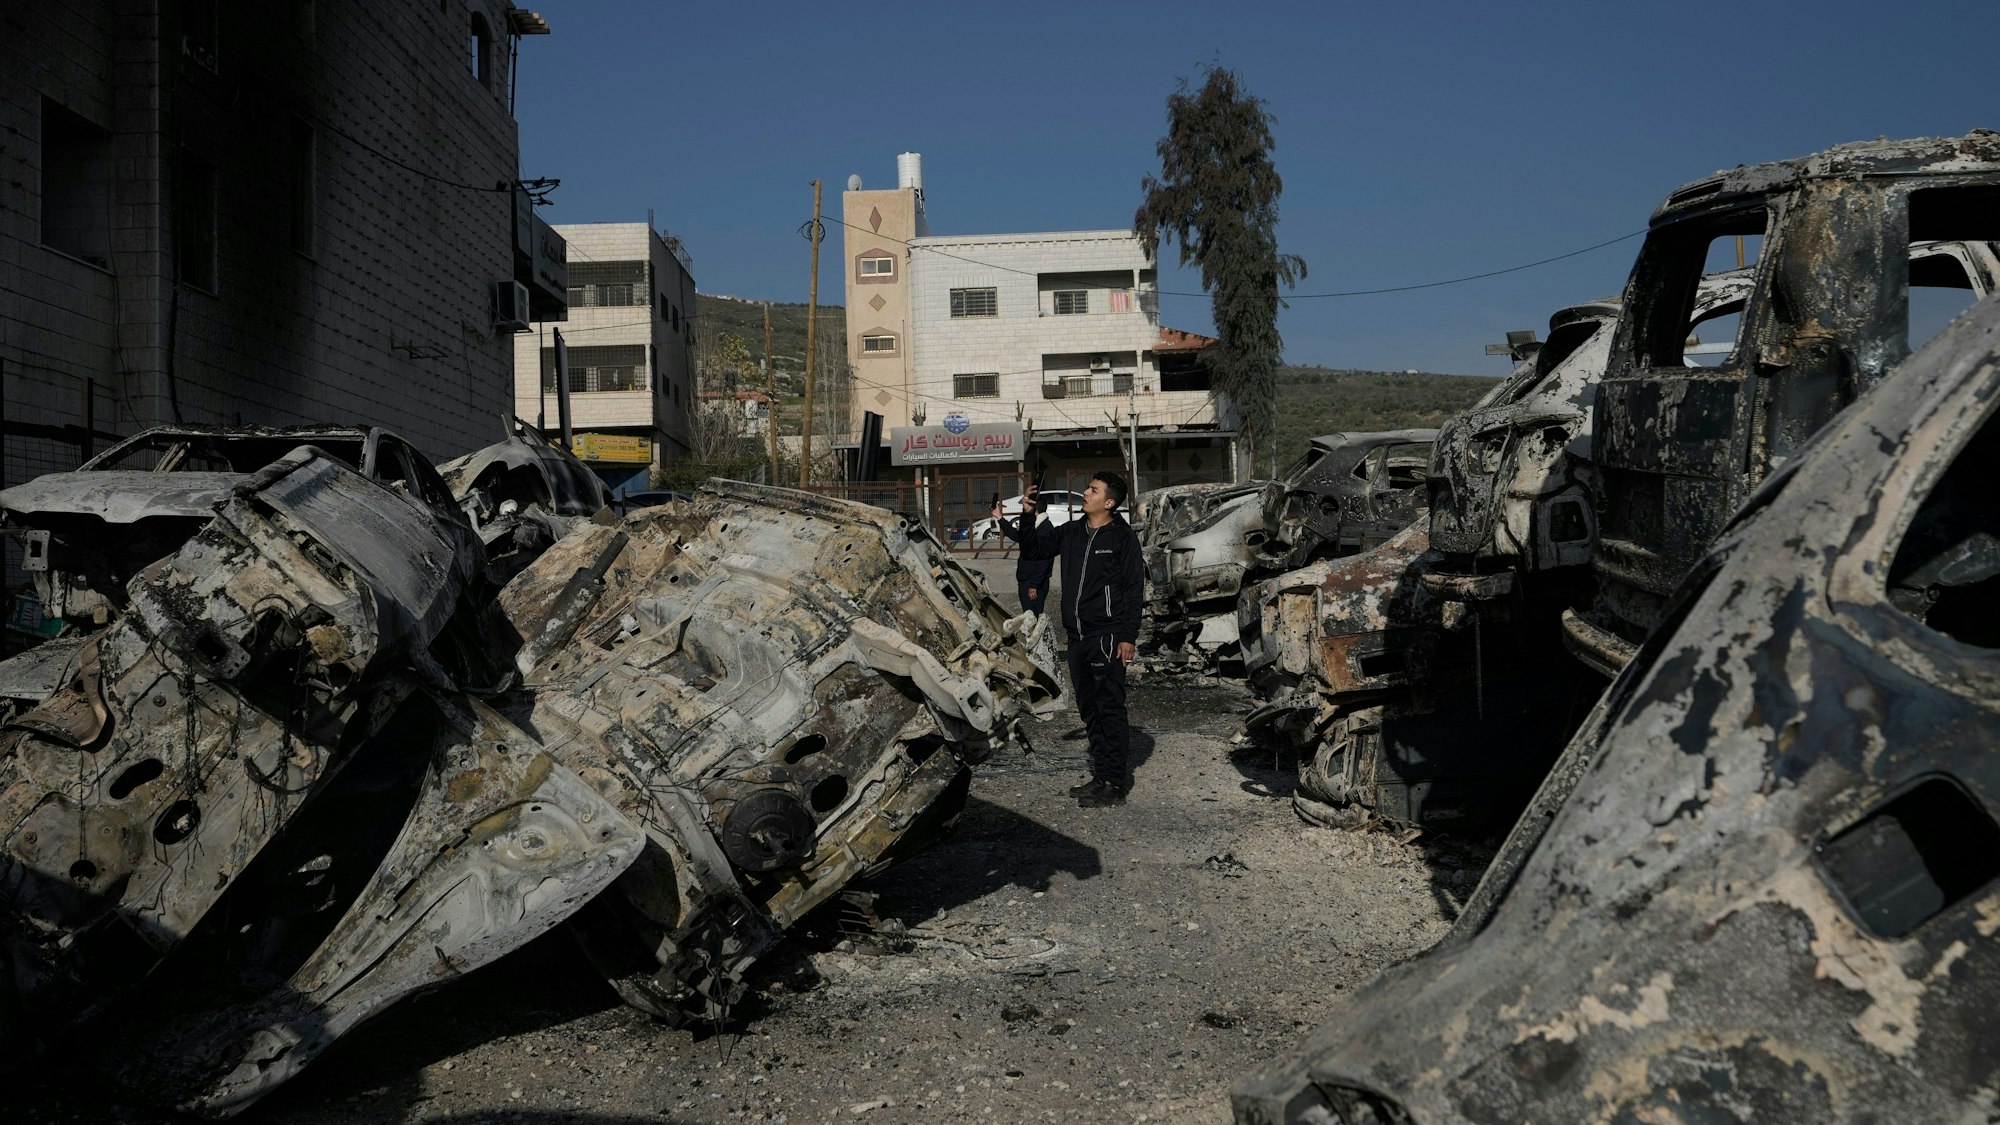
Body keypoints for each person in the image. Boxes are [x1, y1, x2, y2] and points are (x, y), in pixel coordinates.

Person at [999, 471, 1142, 807]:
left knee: (1109, 708)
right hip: (1076, 637)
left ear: (1109, 502)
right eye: (1087, 488)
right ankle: (1100, 777)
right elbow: (1033, 548)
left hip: (1106, 636)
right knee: (1089, 709)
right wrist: (1028, 514)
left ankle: (1116, 783)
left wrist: (1128, 636)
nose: (1084, 494)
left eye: (1092, 490)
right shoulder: (1073, 532)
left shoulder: (1122, 538)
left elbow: (1134, 589)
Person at [994, 490, 1053, 617]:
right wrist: (999, 517)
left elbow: (1045, 561)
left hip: (1034, 583)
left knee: (1033, 618)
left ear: (1034, 509)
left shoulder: (1045, 530)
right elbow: (1016, 535)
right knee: (1029, 616)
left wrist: (1034, 585)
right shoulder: (1036, 527)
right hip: (1027, 580)